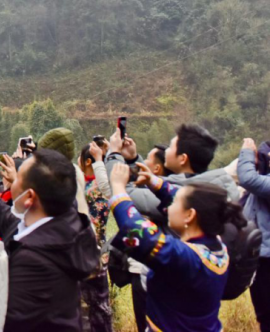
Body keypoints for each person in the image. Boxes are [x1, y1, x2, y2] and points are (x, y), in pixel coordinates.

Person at [0, 148, 99, 331]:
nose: (13, 181)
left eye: (18, 178)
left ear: (29, 197)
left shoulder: (34, 260)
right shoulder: (63, 227)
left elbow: (6, 322)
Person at [108, 162, 246, 332]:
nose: (168, 207)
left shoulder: (184, 257)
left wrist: (118, 188)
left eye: (174, 204)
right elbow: (185, 199)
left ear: (190, 215)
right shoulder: (215, 245)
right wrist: (155, 183)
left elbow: (136, 230)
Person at [106, 124, 239, 219]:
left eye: (170, 147)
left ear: (182, 159)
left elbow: (125, 192)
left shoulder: (184, 194)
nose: (166, 150)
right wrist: (133, 159)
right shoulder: (209, 185)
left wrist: (114, 154)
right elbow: (146, 188)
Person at [77, 144, 114, 332]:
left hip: (88, 250)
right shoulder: (98, 185)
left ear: (87, 161)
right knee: (100, 304)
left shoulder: (91, 188)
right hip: (101, 250)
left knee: (92, 305)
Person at [238, 138, 270, 332]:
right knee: (264, 314)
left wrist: (247, 154)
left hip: (267, 259)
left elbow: (248, 179)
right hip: (262, 256)